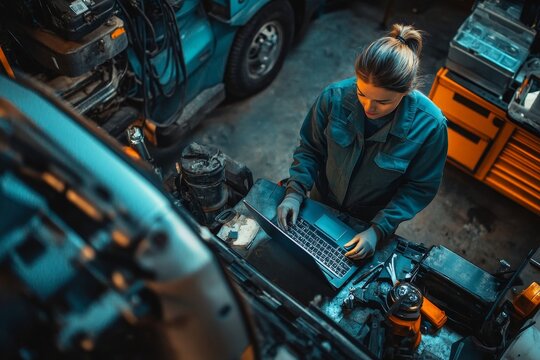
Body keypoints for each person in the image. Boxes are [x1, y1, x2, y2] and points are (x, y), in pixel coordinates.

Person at [277, 24, 448, 260]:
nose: (369, 107)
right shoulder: (334, 97)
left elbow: (418, 188)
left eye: (383, 102)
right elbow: (311, 148)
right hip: (319, 201)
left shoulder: (430, 126)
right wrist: (294, 192)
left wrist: (378, 231)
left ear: (407, 90)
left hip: (367, 222)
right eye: (362, 93)